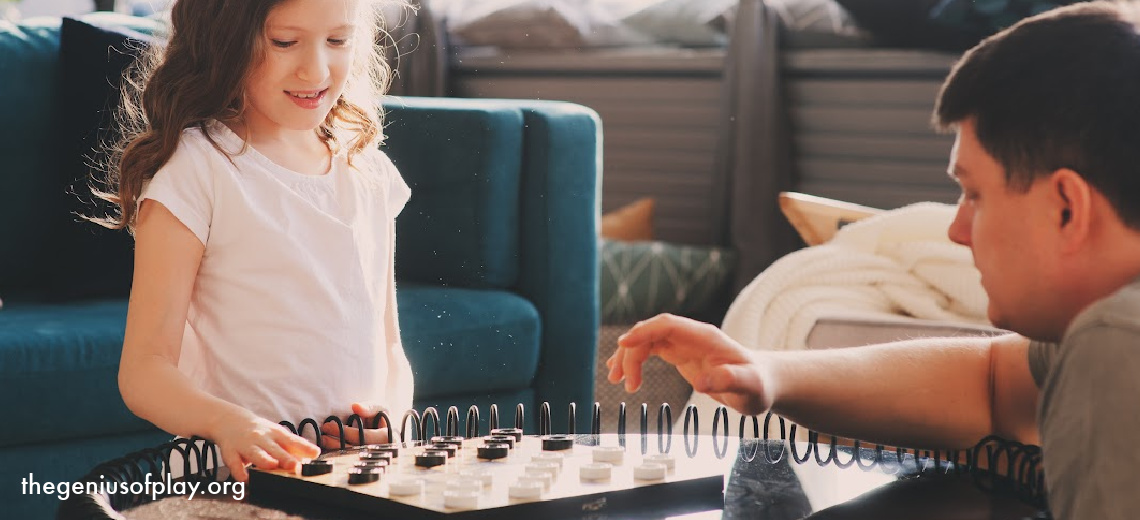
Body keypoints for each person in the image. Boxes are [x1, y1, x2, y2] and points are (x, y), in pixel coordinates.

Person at [608, 2, 1140, 518]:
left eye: (974, 195)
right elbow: (991, 383)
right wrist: (763, 370)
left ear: (1066, 207)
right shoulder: (1095, 332)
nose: (957, 231)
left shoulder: (1115, 343)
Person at [106, 0, 415, 481]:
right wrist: (230, 423)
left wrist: (387, 421)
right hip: (233, 479)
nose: (316, 68)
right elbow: (144, 371)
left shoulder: (367, 169)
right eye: (285, 42)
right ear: (224, 40)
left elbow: (390, 347)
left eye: (338, 41)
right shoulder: (198, 168)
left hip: (352, 476)